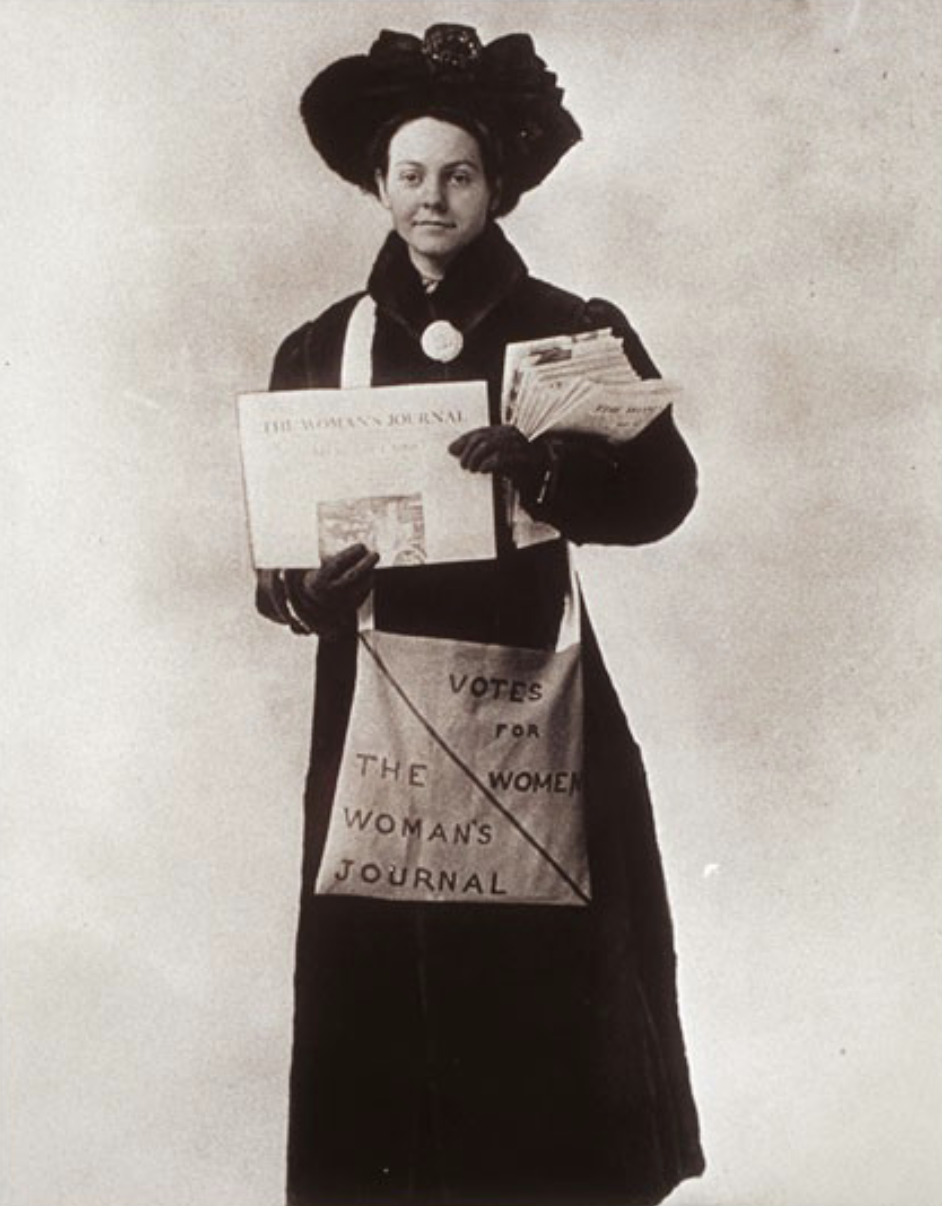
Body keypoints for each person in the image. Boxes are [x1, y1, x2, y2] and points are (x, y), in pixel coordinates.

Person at [254, 23, 705, 1206]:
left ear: (498, 183)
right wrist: (309, 593)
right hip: (379, 727)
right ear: (376, 181)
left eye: (458, 173)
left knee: (546, 1000)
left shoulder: (570, 329)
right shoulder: (319, 347)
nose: (431, 198)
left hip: (530, 708)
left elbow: (665, 495)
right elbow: (274, 566)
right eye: (410, 174)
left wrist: (543, 474)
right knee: (384, 1012)